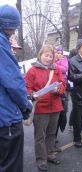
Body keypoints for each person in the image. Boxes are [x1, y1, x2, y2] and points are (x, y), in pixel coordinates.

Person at [0, 5, 32, 172]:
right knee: (10, 166)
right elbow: (13, 82)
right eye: (13, 28)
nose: (13, 32)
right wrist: (26, 105)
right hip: (6, 119)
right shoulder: (1, 45)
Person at [25, 45, 66, 171]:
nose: (48, 58)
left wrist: (58, 89)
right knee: (40, 136)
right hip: (41, 109)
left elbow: (63, 84)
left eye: (51, 56)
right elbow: (27, 88)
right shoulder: (32, 70)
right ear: (40, 55)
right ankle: (41, 160)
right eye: (46, 55)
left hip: (56, 107)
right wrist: (32, 95)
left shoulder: (57, 69)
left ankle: (49, 154)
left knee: (51, 134)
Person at [54, 48, 68, 151]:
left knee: (62, 112)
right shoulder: (50, 60)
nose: (59, 55)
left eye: (60, 53)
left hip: (63, 89)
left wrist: (55, 65)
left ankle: (55, 135)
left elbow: (64, 69)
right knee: (54, 115)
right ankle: (52, 137)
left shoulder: (64, 60)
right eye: (57, 53)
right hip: (53, 90)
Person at [68, 49, 78, 130]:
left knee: (77, 107)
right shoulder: (70, 63)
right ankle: (71, 124)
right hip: (72, 88)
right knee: (75, 107)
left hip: (75, 87)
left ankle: (76, 122)